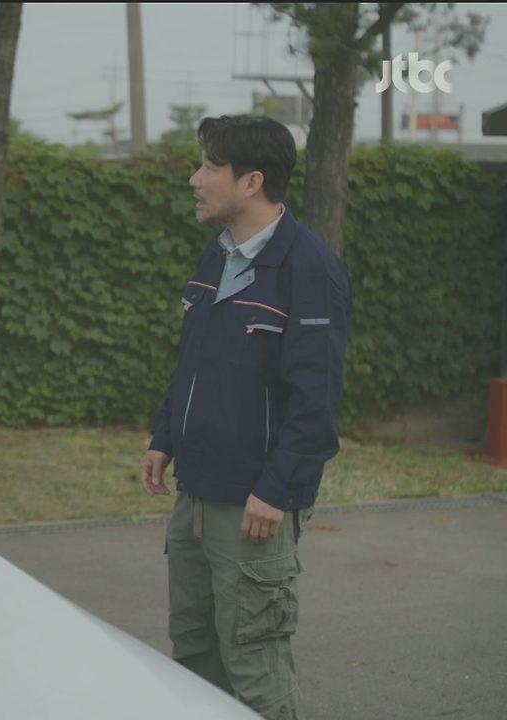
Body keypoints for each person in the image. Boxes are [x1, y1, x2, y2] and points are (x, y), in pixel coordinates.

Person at [140, 115, 352, 720]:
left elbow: (316, 402)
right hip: (195, 497)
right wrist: (164, 437)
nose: (195, 178)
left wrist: (276, 490)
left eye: (210, 166)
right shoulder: (218, 254)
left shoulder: (309, 269)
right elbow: (194, 361)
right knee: (194, 657)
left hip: (256, 505)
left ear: (251, 181)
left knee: (256, 671)